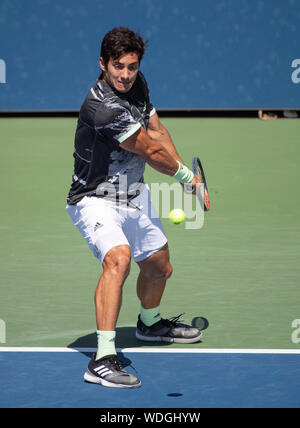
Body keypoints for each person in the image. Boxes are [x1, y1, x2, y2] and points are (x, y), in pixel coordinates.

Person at [66, 27, 202, 389]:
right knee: (119, 259)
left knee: (160, 267)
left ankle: (150, 322)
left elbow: (156, 131)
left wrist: (186, 173)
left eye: (132, 66)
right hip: (94, 199)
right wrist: (187, 177)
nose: (125, 75)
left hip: (133, 193)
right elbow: (149, 151)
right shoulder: (103, 107)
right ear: (102, 64)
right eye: (117, 67)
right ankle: (102, 359)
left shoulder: (137, 84)